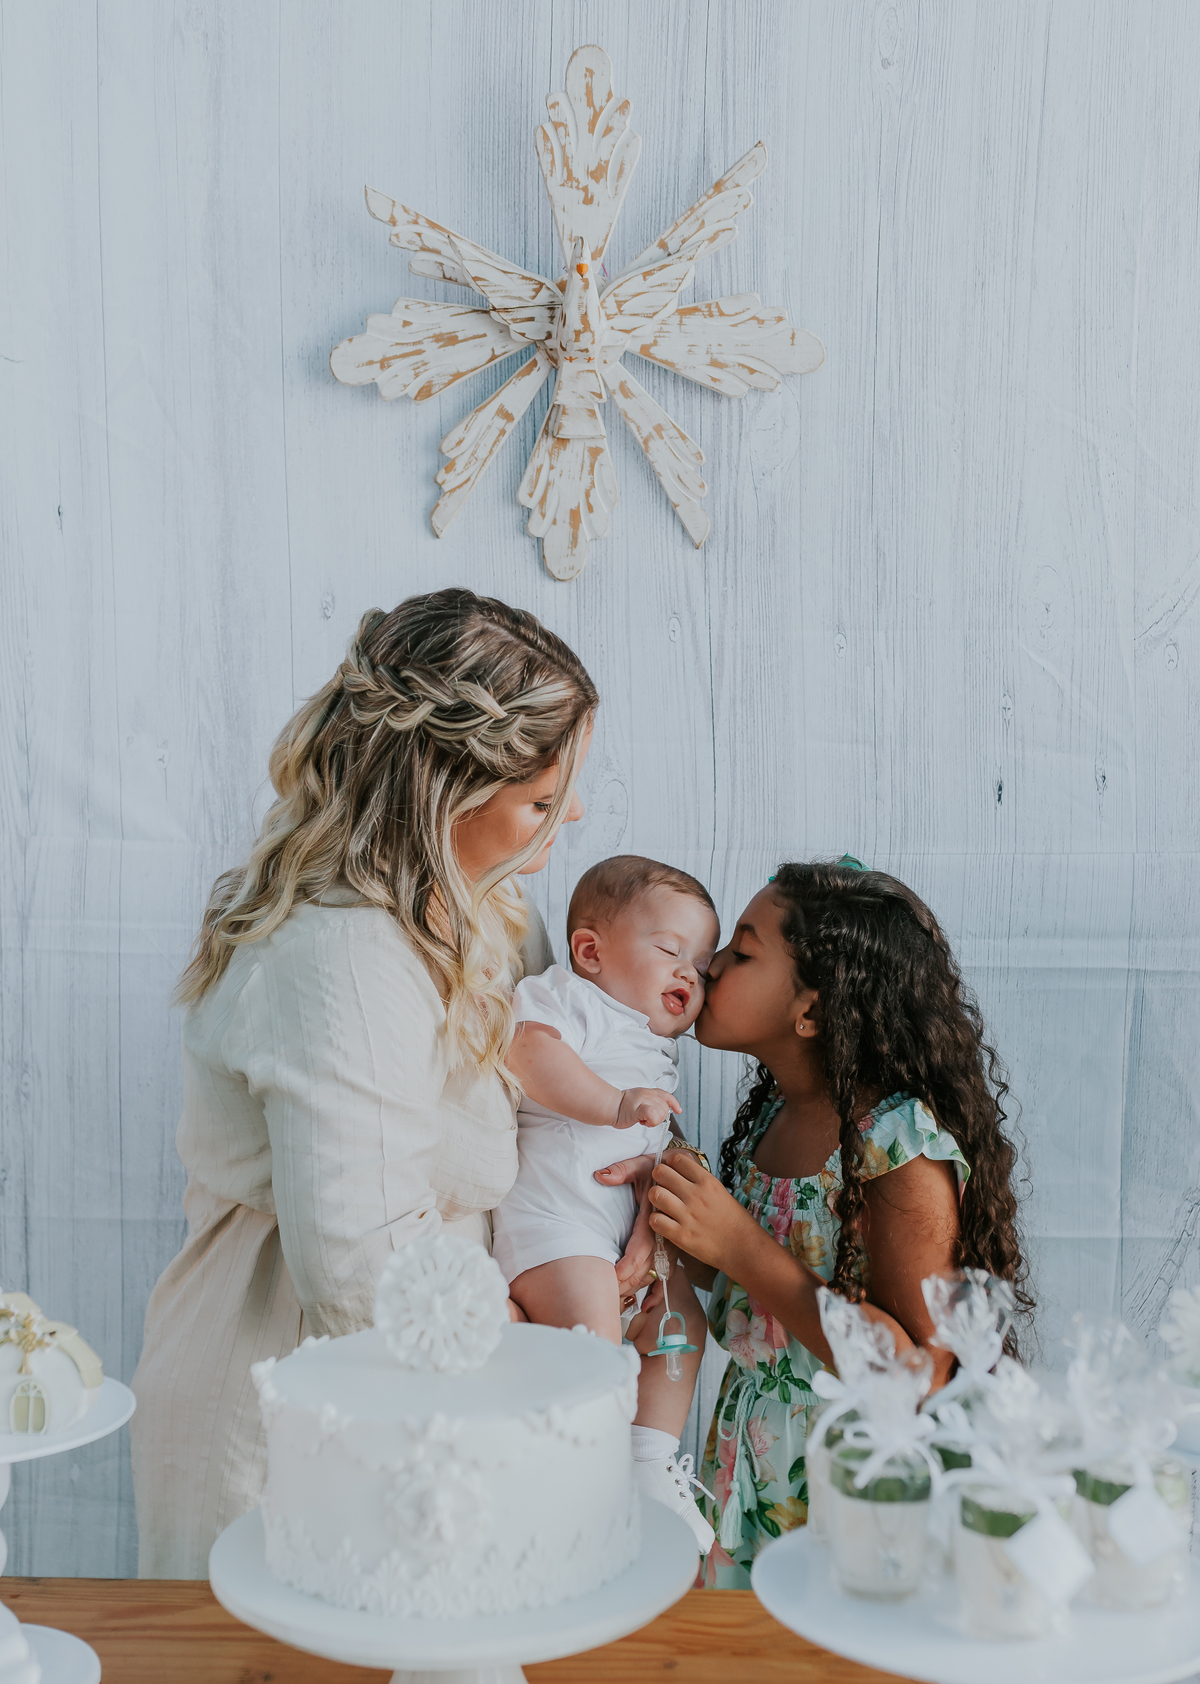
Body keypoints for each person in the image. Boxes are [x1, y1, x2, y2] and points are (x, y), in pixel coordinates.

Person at [130, 589, 597, 1577]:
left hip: (446, 1364)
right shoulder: (342, 956)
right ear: (444, 790)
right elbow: (360, 1273)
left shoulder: (489, 907)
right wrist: (555, 1325)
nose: (572, 815)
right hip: (306, 1387)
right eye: (543, 800)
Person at [640, 859, 1032, 1586]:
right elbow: (738, 1286)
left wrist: (740, 1245)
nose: (710, 965)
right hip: (752, 1460)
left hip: (846, 1479)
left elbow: (918, 1369)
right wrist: (667, 1210)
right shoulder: (770, 1115)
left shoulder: (895, 1143)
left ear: (814, 1011)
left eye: (742, 952)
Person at [492, 856, 718, 1547]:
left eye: (702, 968)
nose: (690, 975)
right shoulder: (569, 998)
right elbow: (530, 1055)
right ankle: (588, 1488)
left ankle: (650, 1461)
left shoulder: (651, 1047)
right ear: (591, 952)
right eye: (671, 952)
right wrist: (616, 1104)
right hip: (557, 1230)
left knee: (685, 1324)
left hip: (617, 1242)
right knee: (594, 1350)